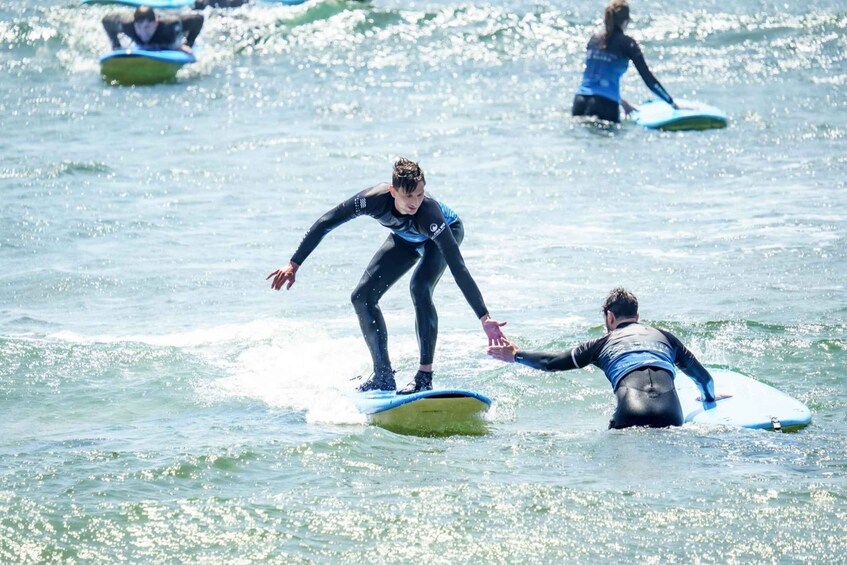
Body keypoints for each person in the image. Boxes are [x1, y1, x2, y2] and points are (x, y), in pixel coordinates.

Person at [267, 158, 507, 394]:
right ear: (393, 191)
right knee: (361, 297)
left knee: (420, 287)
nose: (415, 202)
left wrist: (483, 317)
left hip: (446, 232)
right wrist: (293, 264)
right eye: (408, 196)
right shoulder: (371, 200)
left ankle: (424, 376)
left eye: (420, 194)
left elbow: (458, 267)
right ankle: (383, 375)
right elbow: (326, 222)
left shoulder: (429, 214)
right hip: (405, 238)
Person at [488, 288, 729, 429]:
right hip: (672, 416)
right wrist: (709, 397)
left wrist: (516, 355)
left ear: (610, 317)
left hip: (630, 415)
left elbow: (552, 362)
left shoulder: (602, 344)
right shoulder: (665, 338)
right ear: (637, 316)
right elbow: (704, 378)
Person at [572, 0, 678, 123]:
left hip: (579, 102)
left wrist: (622, 102)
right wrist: (671, 103)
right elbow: (648, 79)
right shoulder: (627, 44)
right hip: (606, 105)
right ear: (626, 21)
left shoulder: (594, 40)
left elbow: (597, 82)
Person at [102, 6, 204, 53]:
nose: (142, 33)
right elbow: (106, 21)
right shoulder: (128, 26)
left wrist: (188, 44)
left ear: (155, 23)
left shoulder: (170, 26)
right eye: (139, 27)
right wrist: (116, 46)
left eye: (147, 27)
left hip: (168, 22)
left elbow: (198, 20)